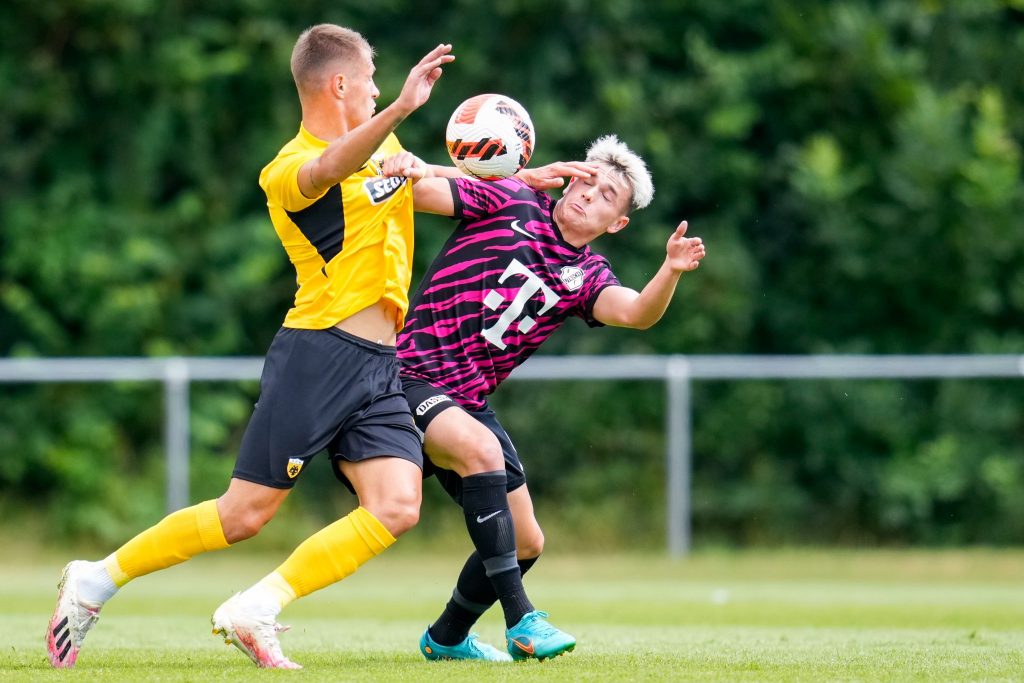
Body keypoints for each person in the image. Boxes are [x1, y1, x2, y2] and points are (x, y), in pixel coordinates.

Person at [46, 24, 455, 670]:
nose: (381, 93)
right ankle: (95, 577)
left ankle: (257, 606)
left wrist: (514, 178)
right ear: (340, 84)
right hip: (318, 355)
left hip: (379, 365)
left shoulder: (383, 146)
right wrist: (402, 111)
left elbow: (437, 188)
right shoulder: (287, 169)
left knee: (398, 504)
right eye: (374, 82)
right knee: (243, 515)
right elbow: (329, 168)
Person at [383, 134, 706, 662]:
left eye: (606, 196)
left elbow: (636, 313)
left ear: (616, 224)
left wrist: (668, 270)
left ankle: (445, 638)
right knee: (480, 455)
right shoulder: (512, 198)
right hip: (412, 374)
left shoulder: (587, 275)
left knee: (528, 541)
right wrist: (423, 168)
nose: (587, 195)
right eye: (586, 180)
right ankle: (522, 620)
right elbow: (416, 193)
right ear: (568, 177)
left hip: (468, 399)